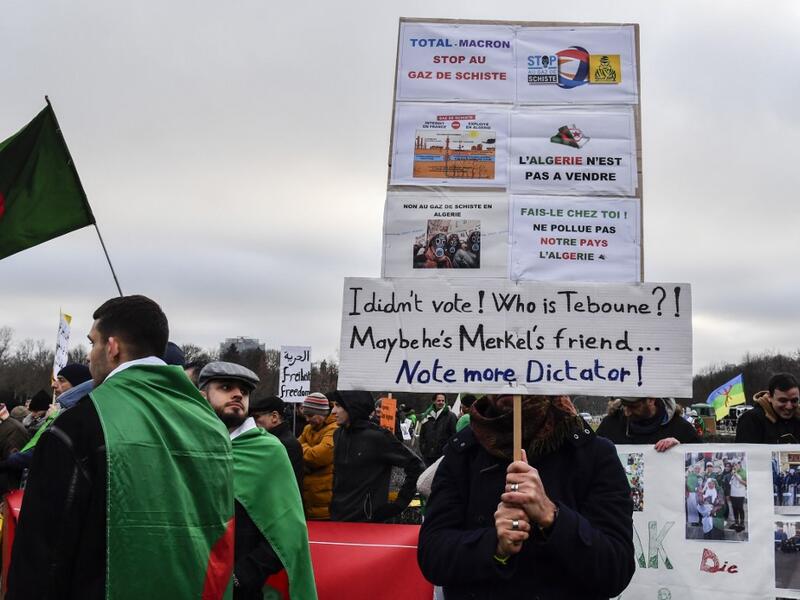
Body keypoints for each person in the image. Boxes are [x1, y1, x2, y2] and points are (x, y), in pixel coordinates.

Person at [7, 295, 234, 600]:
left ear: (112, 348)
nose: (89, 356)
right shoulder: (212, 424)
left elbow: (43, 550)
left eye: (92, 343)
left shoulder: (80, 424)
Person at [417, 394, 635, 598]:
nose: (509, 377)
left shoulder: (592, 454)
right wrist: (494, 545)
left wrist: (552, 517)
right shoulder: (463, 452)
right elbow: (433, 557)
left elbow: (616, 569)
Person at [199, 362, 316, 600]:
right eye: (225, 387)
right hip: (190, 581)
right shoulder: (188, 446)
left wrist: (242, 576)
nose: (237, 394)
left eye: (244, 391)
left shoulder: (269, 451)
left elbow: (289, 531)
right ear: (202, 396)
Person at [329, 390, 424, 522]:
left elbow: (416, 466)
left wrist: (398, 504)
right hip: (338, 518)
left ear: (353, 407)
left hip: (369, 521)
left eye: (338, 405)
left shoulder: (378, 437)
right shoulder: (338, 434)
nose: (333, 411)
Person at [596, 396, 700, 451]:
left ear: (651, 400)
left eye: (634, 407)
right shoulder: (610, 425)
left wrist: (682, 449)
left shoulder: (681, 428)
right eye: (624, 406)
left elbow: (698, 459)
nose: (627, 413)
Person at [250, 395, 304, 490]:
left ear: (274, 417)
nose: (253, 422)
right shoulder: (272, 440)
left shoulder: (286, 445)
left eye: (256, 417)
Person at [298, 392, 338, 519]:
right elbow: (294, 450)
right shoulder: (308, 429)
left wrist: (303, 448)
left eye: (310, 415)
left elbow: (317, 457)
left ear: (322, 413)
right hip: (308, 499)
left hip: (324, 503)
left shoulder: (334, 430)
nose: (307, 419)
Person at [736, 373, 800, 443]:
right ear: (769, 397)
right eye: (783, 400)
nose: (789, 406)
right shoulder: (751, 420)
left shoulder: (797, 419)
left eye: (794, 400)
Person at [418, 393, 458, 466]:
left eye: (443, 401)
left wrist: (448, 450)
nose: (441, 402)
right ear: (434, 401)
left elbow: (454, 435)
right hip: (428, 454)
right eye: (439, 400)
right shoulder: (426, 415)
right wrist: (422, 448)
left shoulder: (451, 416)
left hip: (443, 455)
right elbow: (422, 434)